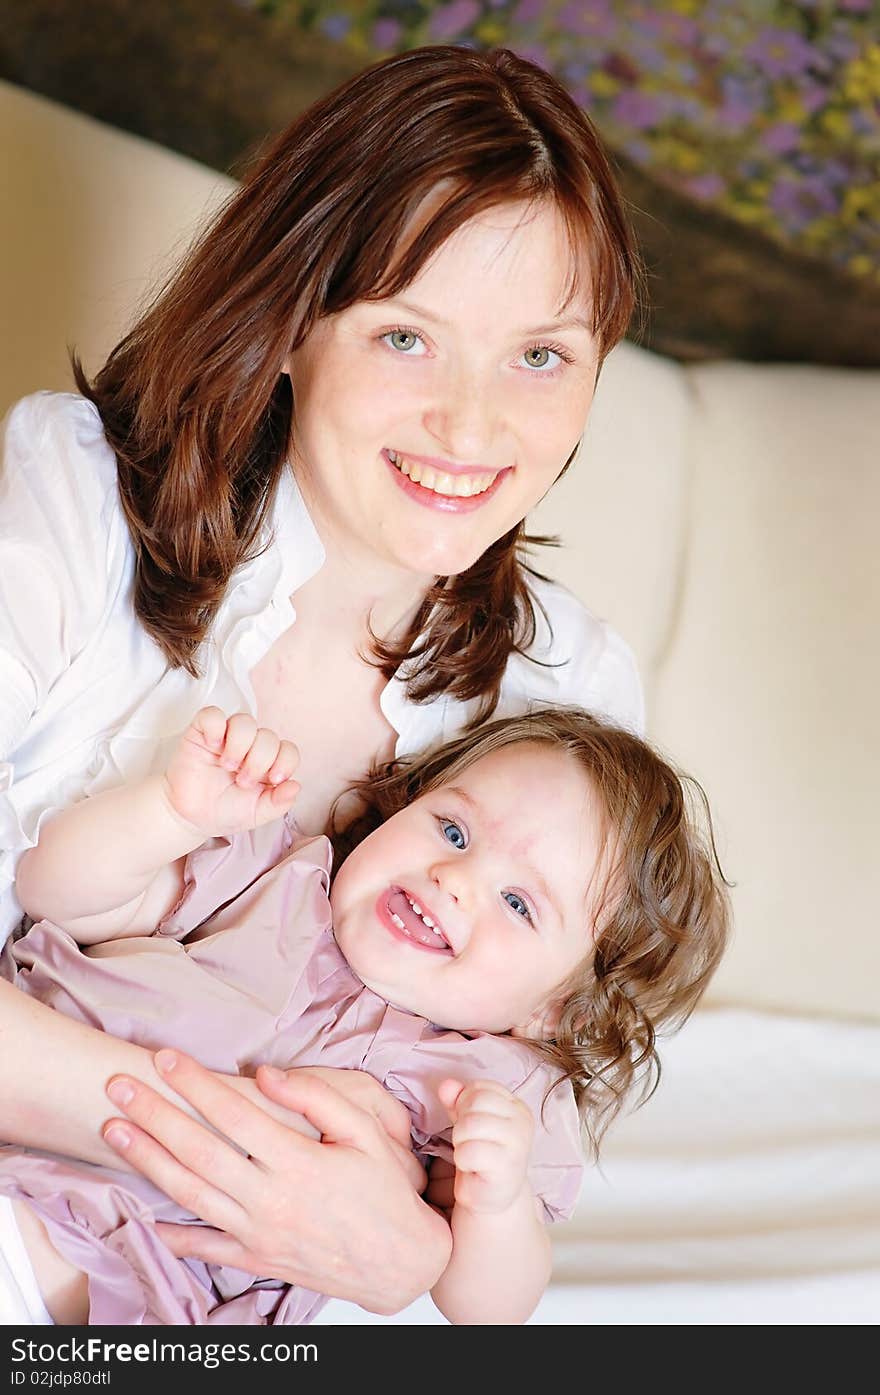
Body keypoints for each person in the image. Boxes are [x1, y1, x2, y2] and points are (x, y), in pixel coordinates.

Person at [0, 45, 646, 1310]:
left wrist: (412, 1251)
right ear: (291, 324)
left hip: (229, 1298)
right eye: (408, 336)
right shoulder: (68, 499)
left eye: (541, 356)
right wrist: (283, 1173)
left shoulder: (570, 693)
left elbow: (503, 1131)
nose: (473, 430)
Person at [2, 704, 729, 1325]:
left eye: (518, 903)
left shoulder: (486, 1083)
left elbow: (486, 1307)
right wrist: (171, 812)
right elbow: (54, 890)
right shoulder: (273, 876)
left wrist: (497, 1202)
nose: (456, 879)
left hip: (110, 1288)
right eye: (452, 830)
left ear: (554, 1008)